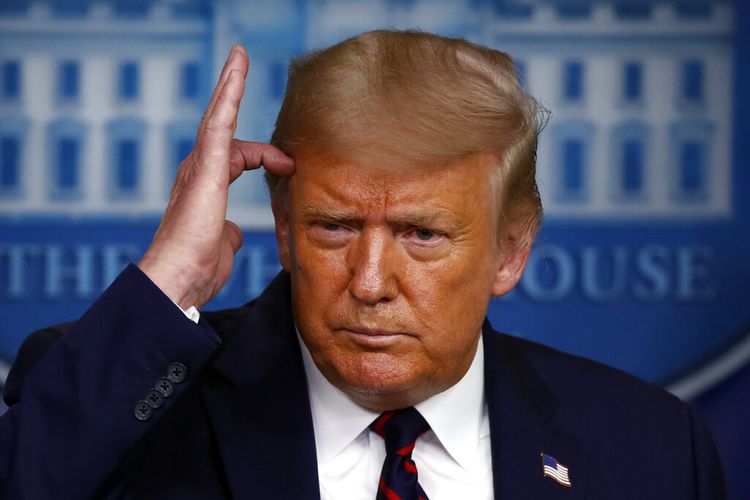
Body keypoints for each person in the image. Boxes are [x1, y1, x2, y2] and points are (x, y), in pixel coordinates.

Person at [0, 31, 724, 499]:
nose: (370, 284)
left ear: (510, 251)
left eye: (421, 234)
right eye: (335, 226)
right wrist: (171, 280)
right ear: (283, 229)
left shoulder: (651, 448)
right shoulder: (119, 405)